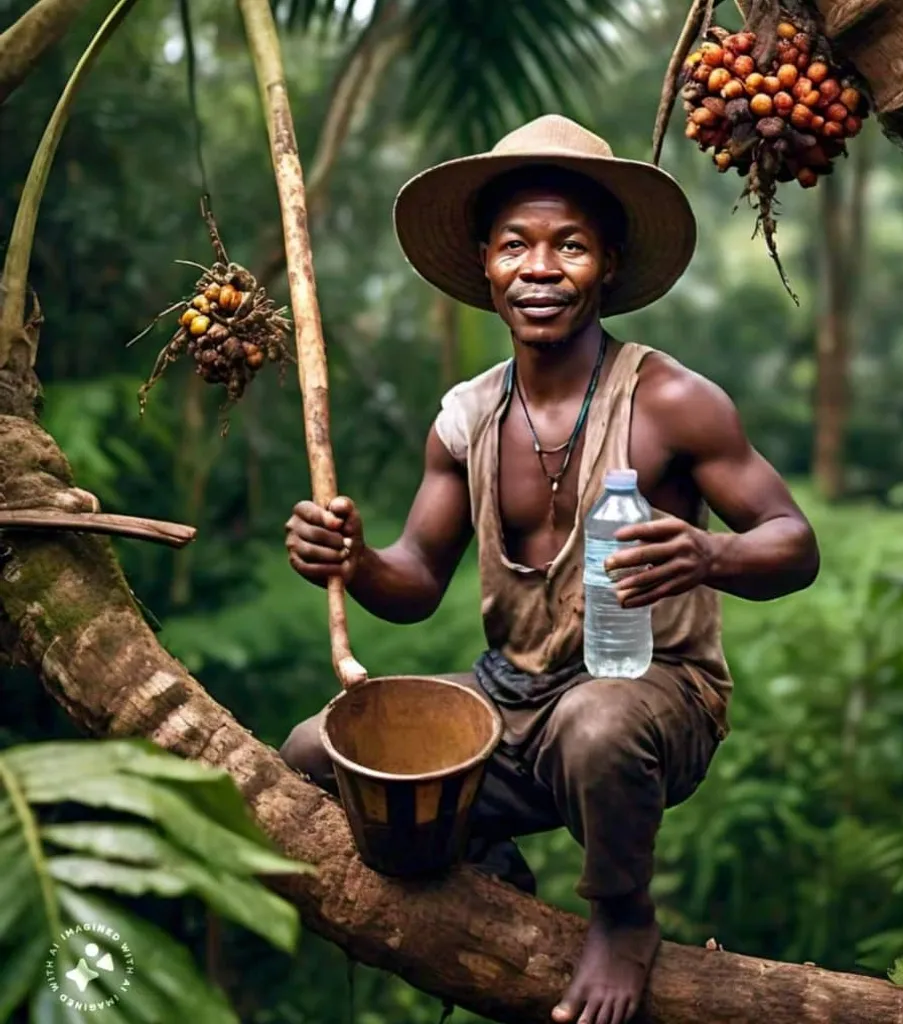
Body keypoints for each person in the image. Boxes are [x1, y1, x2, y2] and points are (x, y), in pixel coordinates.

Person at [279, 115, 820, 1024]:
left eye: (568, 245)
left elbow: (793, 543)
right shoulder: (466, 417)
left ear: (607, 263)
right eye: (514, 246)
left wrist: (709, 552)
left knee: (595, 725)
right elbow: (414, 581)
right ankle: (488, 866)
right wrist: (354, 560)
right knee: (311, 754)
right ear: (485, 264)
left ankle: (622, 917)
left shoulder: (672, 401)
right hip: (511, 698)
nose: (539, 269)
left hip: (651, 698)